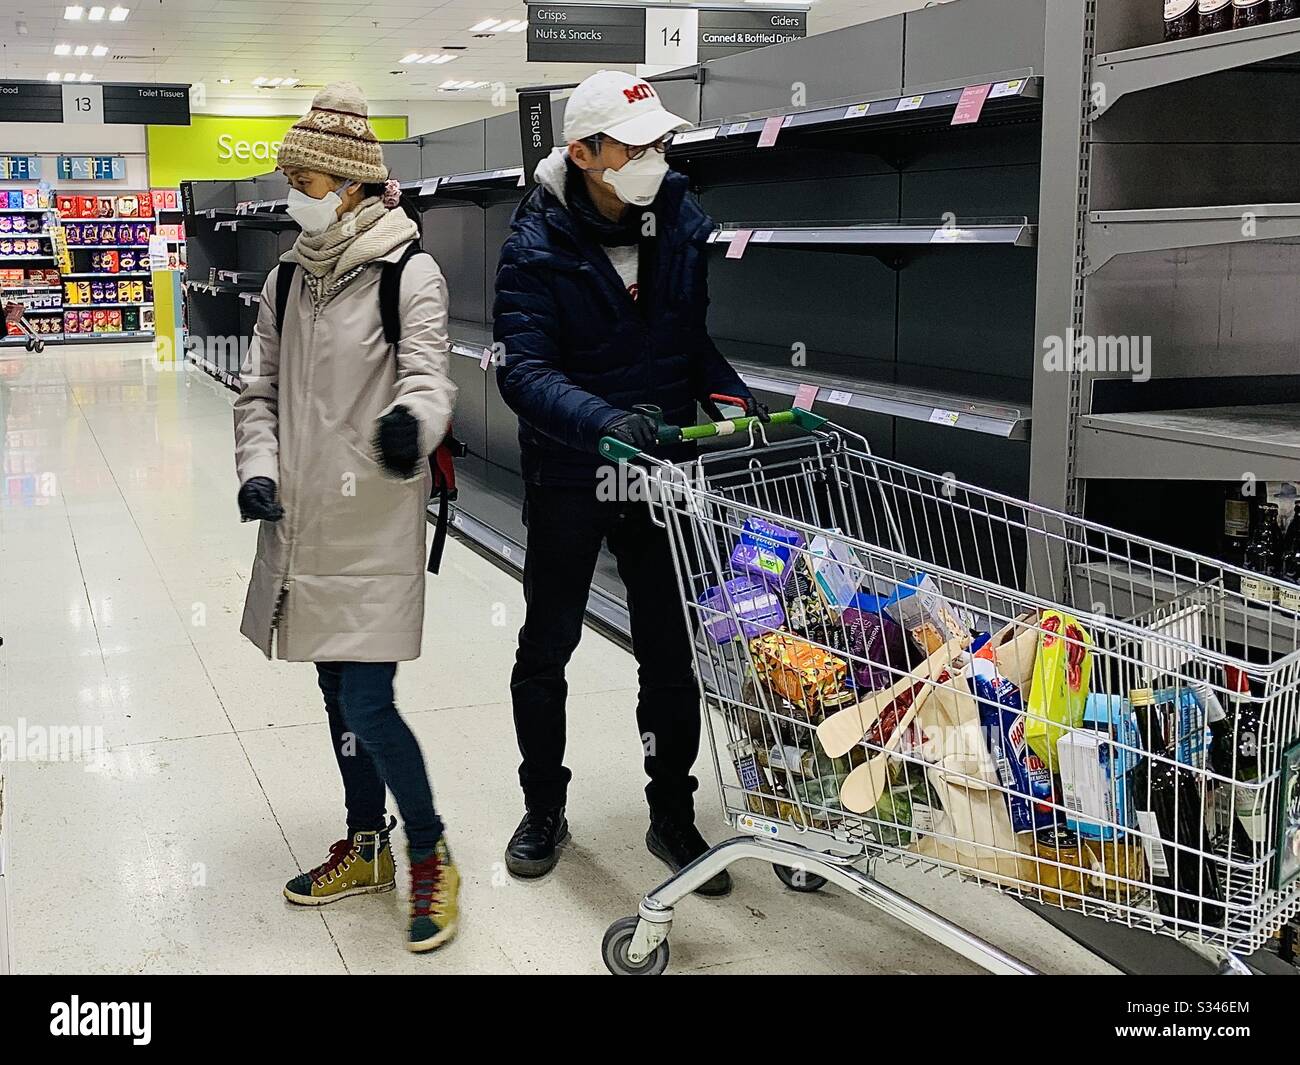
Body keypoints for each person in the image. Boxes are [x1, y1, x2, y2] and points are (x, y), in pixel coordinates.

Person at [493, 70, 765, 894]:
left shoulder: (676, 220)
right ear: (583, 153)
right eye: (636, 145)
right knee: (548, 645)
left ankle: (672, 813)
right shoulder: (533, 246)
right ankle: (544, 806)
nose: (655, 156)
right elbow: (523, 370)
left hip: (662, 469)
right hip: (576, 469)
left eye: (660, 141)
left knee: (670, 646)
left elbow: (689, 338)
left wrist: (727, 390)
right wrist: (605, 421)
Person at [232, 82, 459, 952]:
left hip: (371, 519)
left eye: (309, 177)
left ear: (355, 185)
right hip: (299, 523)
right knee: (334, 693)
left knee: (367, 698)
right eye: (293, 176)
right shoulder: (289, 276)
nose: (297, 191)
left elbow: (431, 376)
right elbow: (258, 390)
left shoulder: (410, 270)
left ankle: (430, 850)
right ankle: (367, 843)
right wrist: (257, 469)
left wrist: (412, 424)